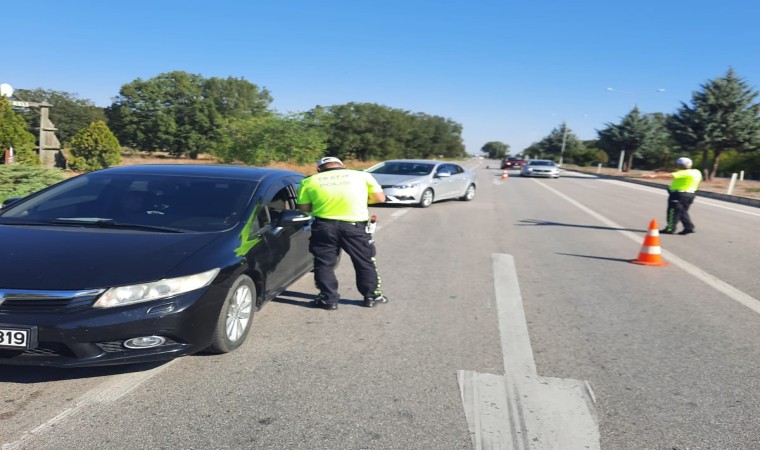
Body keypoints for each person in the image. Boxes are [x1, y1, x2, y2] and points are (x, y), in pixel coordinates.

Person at [296, 156, 387, 310]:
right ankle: (372, 296)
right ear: (343, 166)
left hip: (324, 227)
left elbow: (303, 208)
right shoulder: (362, 176)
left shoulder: (309, 181)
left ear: (318, 169)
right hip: (355, 227)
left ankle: (328, 299)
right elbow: (379, 198)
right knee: (364, 261)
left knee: (324, 264)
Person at [644, 157, 702, 235]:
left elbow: (670, 175)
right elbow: (675, 172)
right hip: (690, 195)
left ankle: (670, 228)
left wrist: (653, 176)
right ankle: (688, 227)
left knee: (672, 211)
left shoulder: (683, 173)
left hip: (679, 195)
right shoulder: (696, 172)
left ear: (679, 165)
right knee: (682, 211)